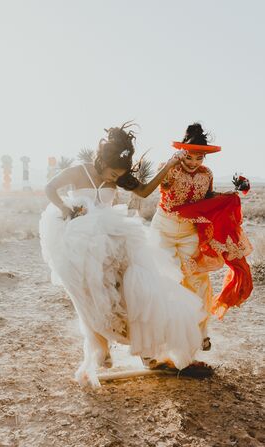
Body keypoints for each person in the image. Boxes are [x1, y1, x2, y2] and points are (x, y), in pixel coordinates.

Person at [39, 123, 205, 387]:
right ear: (101, 161)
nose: (117, 178)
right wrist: (64, 209)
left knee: (132, 291)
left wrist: (169, 165)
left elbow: (145, 190)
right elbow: (50, 188)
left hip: (112, 241)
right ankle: (100, 349)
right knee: (91, 299)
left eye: (121, 174)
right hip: (79, 245)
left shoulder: (117, 177)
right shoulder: (78, 171)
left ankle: (147, 352)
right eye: (114, 172)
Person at [151, 123, 253, 351]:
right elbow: (157, 186)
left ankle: (200, 332)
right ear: (182, 152)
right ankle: (164, 335)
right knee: (167, 278)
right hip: (163, 229)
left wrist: (226, 195)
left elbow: (206, 198)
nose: (194, 163)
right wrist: (170, 164)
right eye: (190, 157)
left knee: (197, 279)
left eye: (200, 158)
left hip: (189, 231)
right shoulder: (170, 168)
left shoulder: (207, 174)